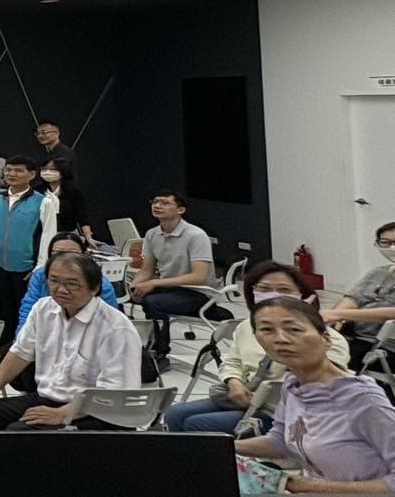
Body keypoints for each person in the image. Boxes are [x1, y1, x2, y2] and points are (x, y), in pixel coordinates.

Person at [0, 253, 141, 431]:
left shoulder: (116, 328)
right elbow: (19, 353)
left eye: (72, 284)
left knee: (19, 431)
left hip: (100, 412)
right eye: (54, 281)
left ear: (94, 288)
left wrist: (63, 414)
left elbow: (114, 394)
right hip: (49, 398)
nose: (61, 290)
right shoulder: (43, 308)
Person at [165, 262, 348, 434]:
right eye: (264, 289)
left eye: (284, 290)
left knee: (197, 424)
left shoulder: (326, 339)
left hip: (282, 408)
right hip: (246, 395)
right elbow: (233, 361)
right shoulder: (248, 326)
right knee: (175, 414)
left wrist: (299, 324)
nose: (274, 295)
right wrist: (234, 382)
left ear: (303, 296)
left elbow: (320, 382)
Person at [234, 297, 395, 493]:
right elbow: (280, 441)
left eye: (294, 329)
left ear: (326, 339)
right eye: (267, 330)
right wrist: (222, 447)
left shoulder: (363, 400)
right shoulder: (293, 387)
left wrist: (309, 486)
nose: (280, 339)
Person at [132, 188, 227, 364]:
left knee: (153, 302)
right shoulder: (152, 234)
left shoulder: (196, 235)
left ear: (180, 210)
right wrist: (134, 286)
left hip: (198, 292)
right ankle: (133, 347)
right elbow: (146, 270)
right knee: (124, 297)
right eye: (155, 202)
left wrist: (154, 283)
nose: (157, 206)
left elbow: (199, 276)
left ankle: (159, 353)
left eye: (165, 203)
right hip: (170, 289)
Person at [0, 155, 58, 351]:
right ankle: (1, 347)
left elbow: (48, 237)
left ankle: (20, 349)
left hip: (26, 268)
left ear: (32, 175)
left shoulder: (43, 202)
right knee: (1, 309)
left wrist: (39, 268)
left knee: (22, 310)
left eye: (18, 170)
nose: (12, 174)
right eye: (8, 170)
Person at [324, 220, 395, 369]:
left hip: (384, 346)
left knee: (326, 362)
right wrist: (334, 317)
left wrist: (340, 314)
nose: (391, 247)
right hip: (356, 336)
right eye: (385, 242)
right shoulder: (378, 273)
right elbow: (352, 299)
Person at [17, 232, 119, 330]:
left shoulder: (100, 283)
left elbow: (109, 320)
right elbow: (27, 310)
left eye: (72, 284)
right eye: (58, 253)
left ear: (84, 255)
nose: (65, 258)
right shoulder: (40, 276)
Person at [39, 158, 95, 245]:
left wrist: (88, 237)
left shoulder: (73, 193)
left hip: (67, 235)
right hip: (42, 236)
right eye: (44, 169)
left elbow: (83, 217)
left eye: (53, 169)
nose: (48, 172)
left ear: (63, 172)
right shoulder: (37, 191)